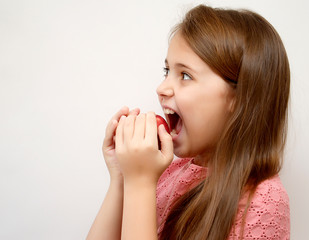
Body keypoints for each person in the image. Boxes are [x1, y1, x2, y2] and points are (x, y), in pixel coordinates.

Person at [87, 4, 290, 240]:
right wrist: (123, 179)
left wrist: (140, 182)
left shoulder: (263, 202)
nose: (161, 88)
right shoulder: (171, 173)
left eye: (185, 75)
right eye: (167, 71)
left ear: (241, 96)